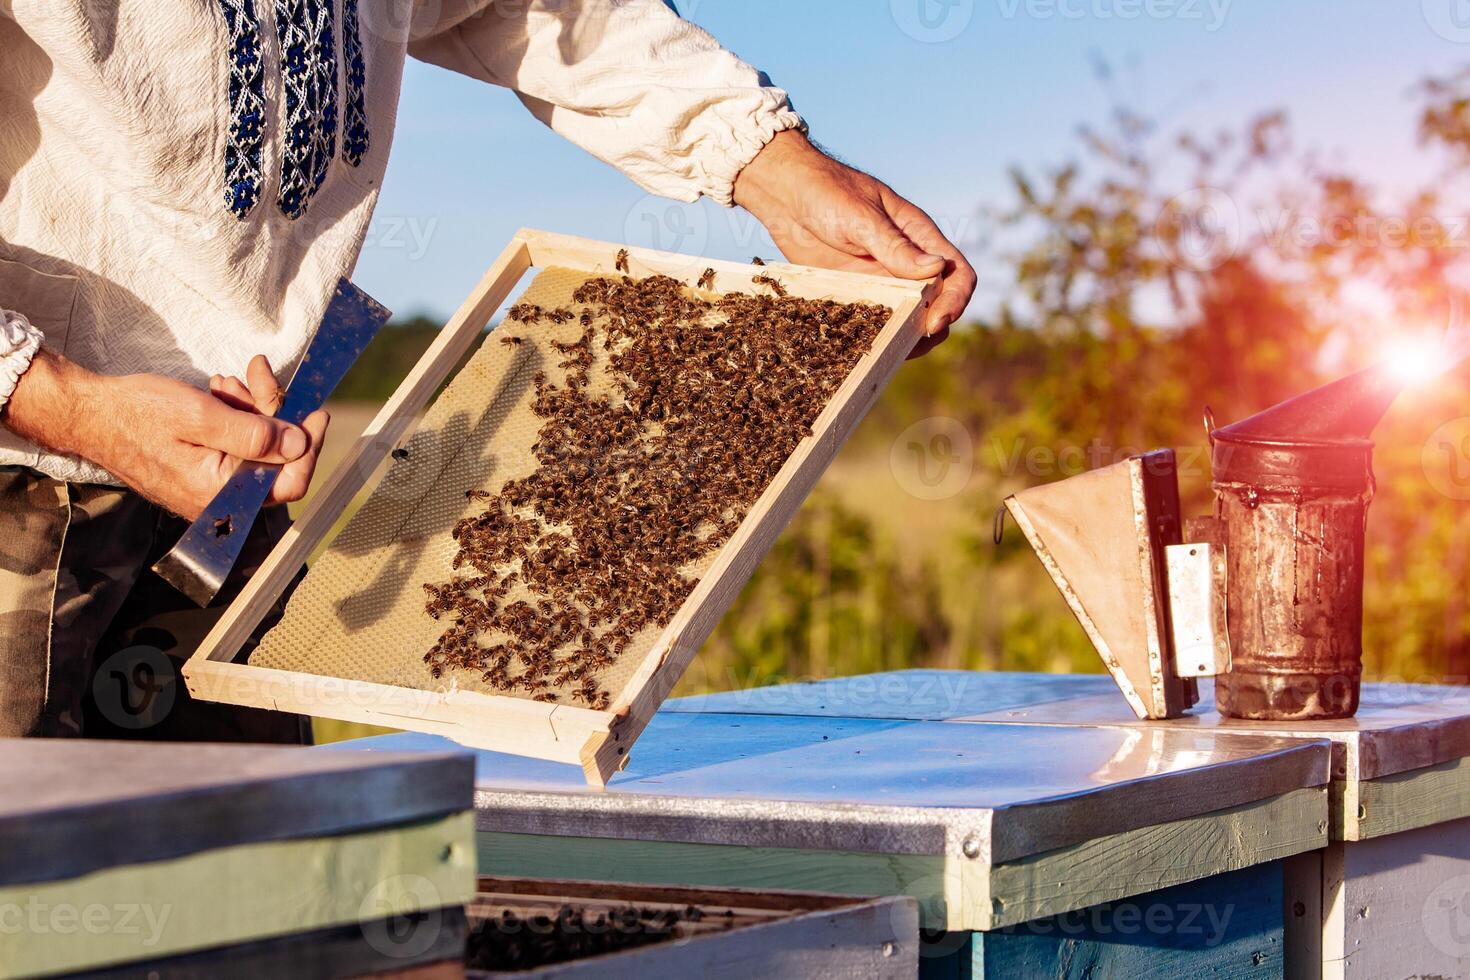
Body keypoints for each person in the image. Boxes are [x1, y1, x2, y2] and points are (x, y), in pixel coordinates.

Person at [0, 1, 976, 742]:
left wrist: (766, 159)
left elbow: (545, 12)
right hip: (21, 474)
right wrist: (64, 401)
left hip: (232, 490)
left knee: (253, 906)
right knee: (32, 912)